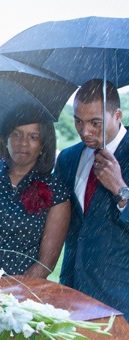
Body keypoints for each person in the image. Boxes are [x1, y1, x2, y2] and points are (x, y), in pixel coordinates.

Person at [0, 104, 71, 278]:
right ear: (6, 139)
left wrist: (11, 295)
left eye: (33, 137)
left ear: (43, 144)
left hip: (22, 293)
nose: (23, 142)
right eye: (16, 134)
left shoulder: (56, 193)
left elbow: (45, 264)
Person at [54, 79, 129, 315]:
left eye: (95, 123)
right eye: (78, 121)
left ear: (117, 114)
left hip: (120, 300)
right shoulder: (67, 158)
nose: (85, 131)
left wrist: (120, 189)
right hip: (71, 293)